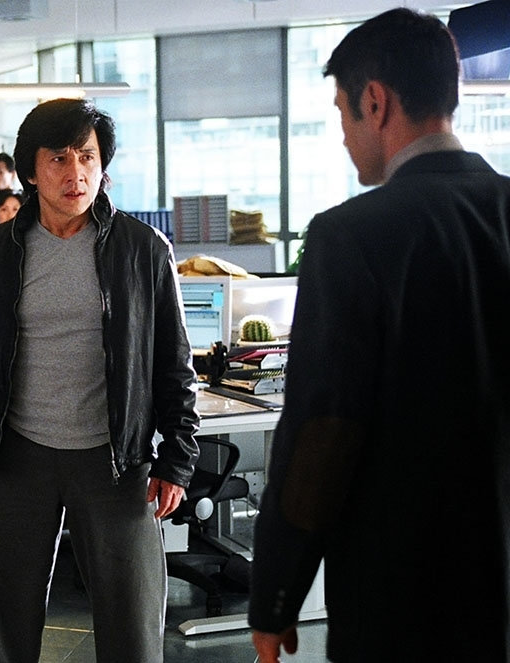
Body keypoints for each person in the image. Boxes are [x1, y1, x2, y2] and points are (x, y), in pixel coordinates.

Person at [249, 9, 510, 663]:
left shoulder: (351, 235)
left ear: (375, 101)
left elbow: (322, 432)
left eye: (342, 113)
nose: (343, 135)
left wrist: (276, 594)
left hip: (405, 592)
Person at [0, 99, 200, 663]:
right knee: (5, 626)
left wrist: (177, 456)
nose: (75, 173)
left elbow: (174, 362)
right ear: (31, 170)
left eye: (87, 157)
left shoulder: (143, 250)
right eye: (58, 158)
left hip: (116, 458)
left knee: (132, 627)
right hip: (19, 454)